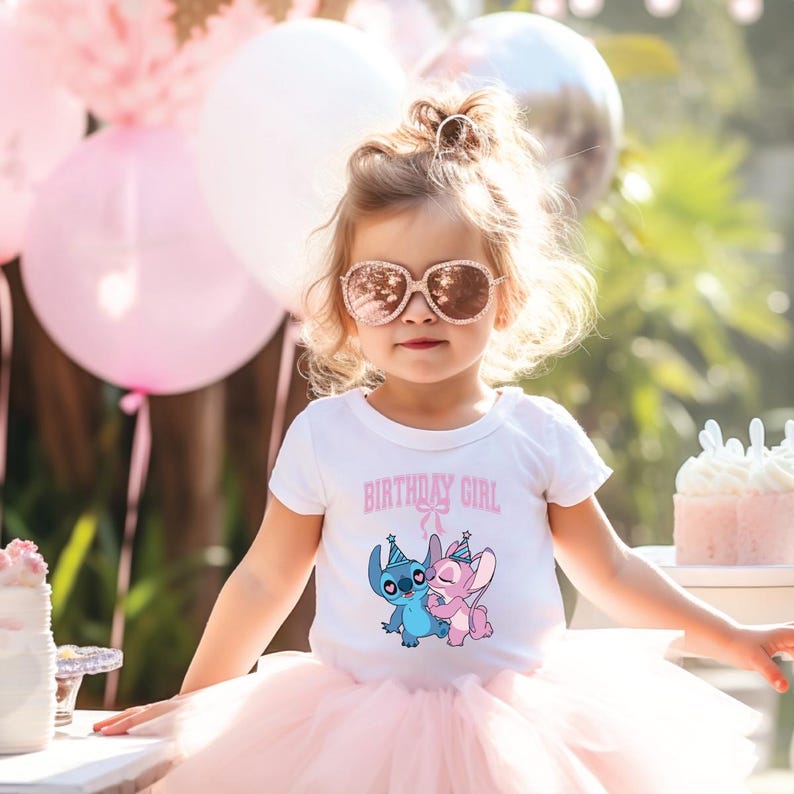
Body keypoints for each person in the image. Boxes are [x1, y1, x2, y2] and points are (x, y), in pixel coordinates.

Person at [95, 85, 794, 793]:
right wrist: (195, 703)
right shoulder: (327, 435)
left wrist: (730, 639)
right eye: (381, 287)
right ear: (346, 303)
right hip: (352, 741)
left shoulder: (537, 434)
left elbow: (610, 571)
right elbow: (264, 579)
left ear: (506, 296)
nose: (417, 310)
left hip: (518, 745)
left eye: (455, 286)